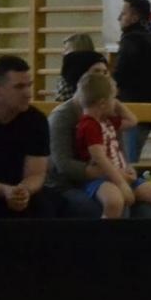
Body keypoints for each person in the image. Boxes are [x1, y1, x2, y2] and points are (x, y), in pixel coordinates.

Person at [73, 72, 151, 218]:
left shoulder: (106, 121)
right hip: (101, 179)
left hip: (122, 175)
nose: (116, 102)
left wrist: (115, 103)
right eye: (114, 99)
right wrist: (121, 183)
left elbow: (132, 120)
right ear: (102, 103)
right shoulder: (89, 125)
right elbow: (100, 159)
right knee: (114, 201)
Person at [46, 52, 112, 218]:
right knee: (97, 207)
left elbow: (116, 146)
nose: (104, 77)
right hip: (66, 185)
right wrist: (105, 172)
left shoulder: (107, 111)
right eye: (97, 72)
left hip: (102, 176)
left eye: (106, 72)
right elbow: (63, 164)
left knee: (143, 204)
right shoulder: (62, 116)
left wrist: (125, 166)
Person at [0, 54, 61, 219]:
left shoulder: (36, 120)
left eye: (29, 85)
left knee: (45, 209)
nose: (27, 93)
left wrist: (23, 191)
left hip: (19, 192)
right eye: (19, 87)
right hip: (1, 190)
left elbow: (36, 173)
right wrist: (5, 190)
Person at [112, 0, 151, 163]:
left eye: (123, 13)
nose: (119, 18)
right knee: (132, 158)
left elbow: (119, 76)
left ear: (135, 17)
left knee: (126, 162)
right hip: (149, 109)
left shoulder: (131, 40)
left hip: (129, 108)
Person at [55, 34, 97, 103]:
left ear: (77, 51)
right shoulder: (99, 69)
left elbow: (60, 102)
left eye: (67, 49)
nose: (63, 53)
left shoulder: (67, 77)